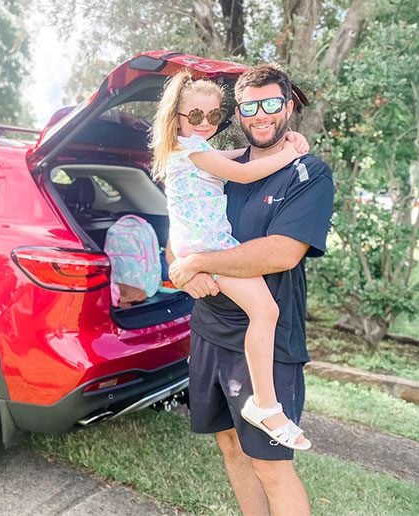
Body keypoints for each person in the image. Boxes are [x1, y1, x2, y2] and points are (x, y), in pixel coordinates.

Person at [168, 64, 334, 516]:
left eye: (271, 104)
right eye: (250, 107)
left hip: (268, 345)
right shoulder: (220, 165)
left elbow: (282, 253)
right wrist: (184, 269)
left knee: (271, 466)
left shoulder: (307, 173)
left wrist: (199, 263)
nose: (261, 115)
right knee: (230, 446)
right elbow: (182, 228)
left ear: (289, 106)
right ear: (238, 113)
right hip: (210, 333)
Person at [150, 71, 312, 452]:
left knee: (263, 312)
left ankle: (264, 403)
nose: (206, 123)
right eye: (196, 116)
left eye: (214, 116)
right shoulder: (190, 151)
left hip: (203, 244)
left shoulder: (190, 148)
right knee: (266, 311)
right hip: (209, 246)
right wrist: (290, 154)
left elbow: (237, 156)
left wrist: (287, 140)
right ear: (177, 117)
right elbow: (243, 171)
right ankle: (265, 404)